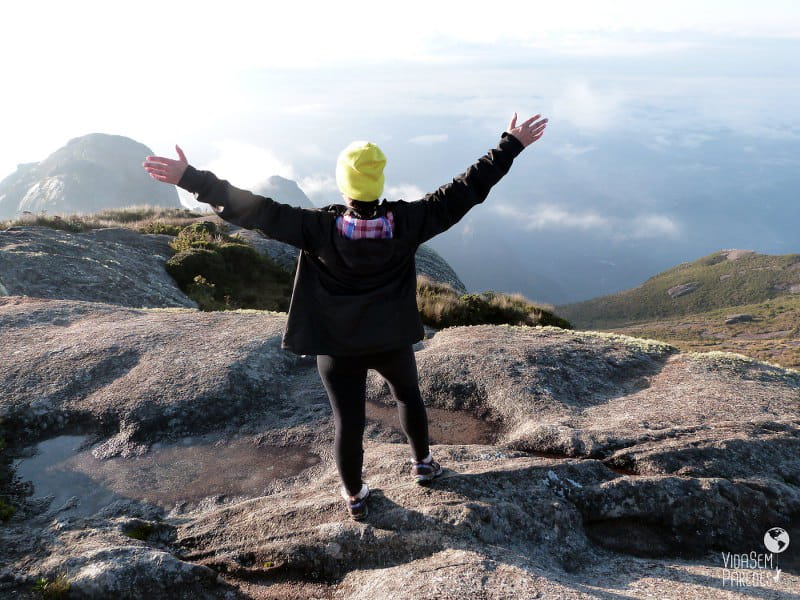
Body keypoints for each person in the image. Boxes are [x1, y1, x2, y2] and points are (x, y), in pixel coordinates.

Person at [142, 112, 547, 519]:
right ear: (379, 182)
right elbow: (466, 190)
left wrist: (190, 178)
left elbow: (253, 209)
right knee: (408, 396)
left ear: (344, 184)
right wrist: (510, 143)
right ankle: (423, 464)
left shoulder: (316, 228)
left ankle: (355, 496)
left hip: (337, 347)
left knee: (348, 422)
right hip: (391, 340)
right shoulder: (409, 222)